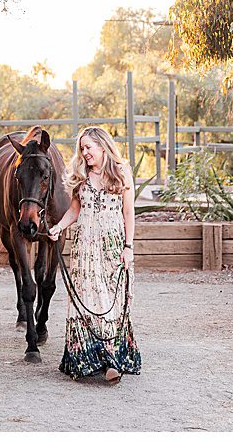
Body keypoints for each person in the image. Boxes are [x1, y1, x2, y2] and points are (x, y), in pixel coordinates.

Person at [47, 126, 141, 383]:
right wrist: (58, 227)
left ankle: (112, 357)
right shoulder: (80, 176)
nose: (84, 152)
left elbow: (128, 214)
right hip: (85, 248)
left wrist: (128, 247)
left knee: (113, 300)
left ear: (102, 146)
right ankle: (95, 360)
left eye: (89, 147)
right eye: (82, 148)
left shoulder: (122, 173)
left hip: (113, 246)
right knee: (89, 299)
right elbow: (74, 211)